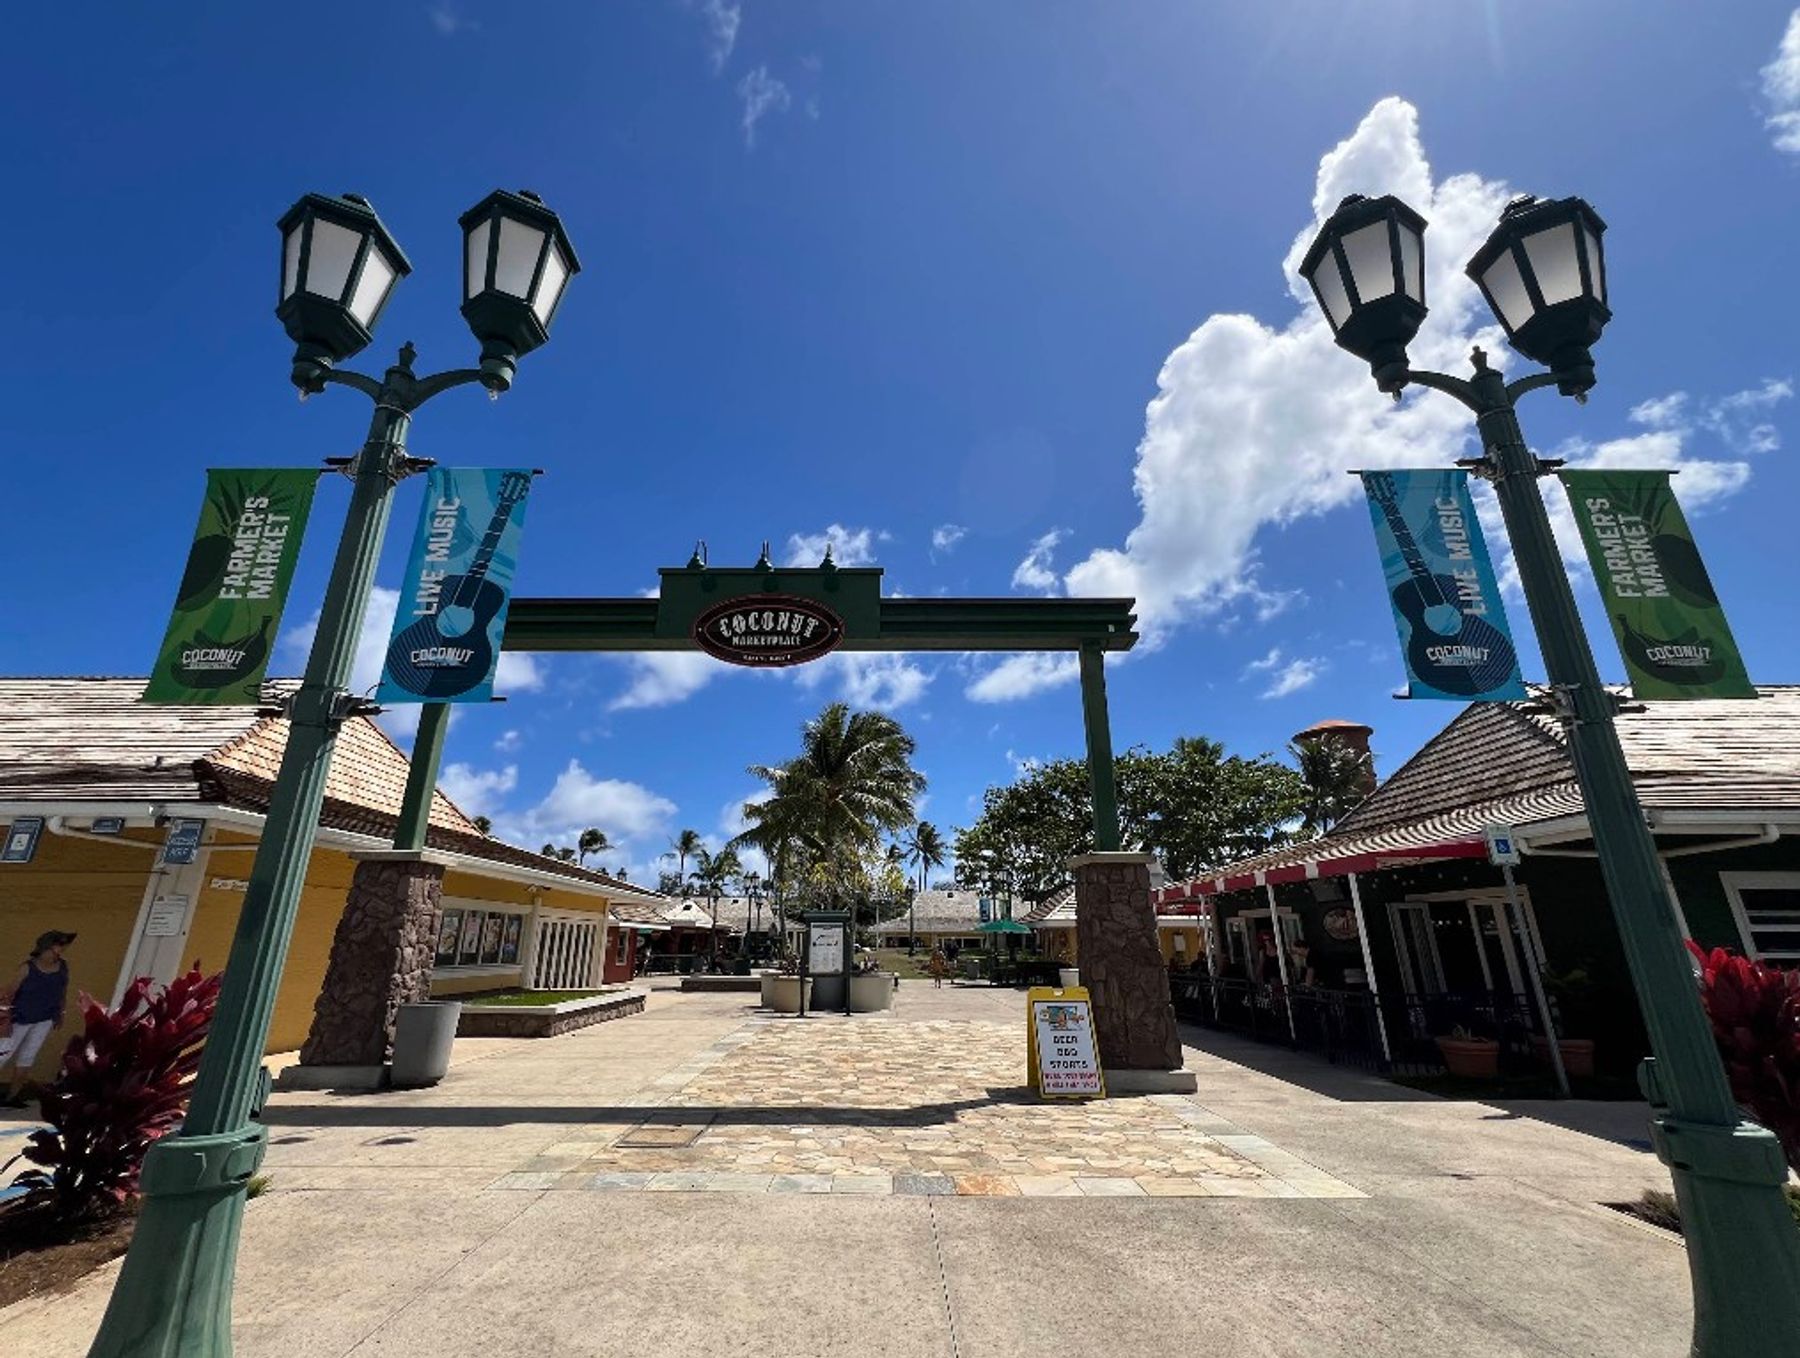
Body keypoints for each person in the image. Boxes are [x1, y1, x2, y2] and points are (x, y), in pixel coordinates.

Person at [0, 931, 76, 1108]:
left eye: (62, 948)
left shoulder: (63, 966)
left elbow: (62, 991)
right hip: (19, 1020)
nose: (60, 953)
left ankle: (12, 1097)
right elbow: (8, 995)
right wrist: (6, 1021)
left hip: (44, 1020)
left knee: (27, 1057)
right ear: (45, 948)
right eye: (57, 948)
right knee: (2, 1055)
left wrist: (61, 1013)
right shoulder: (27, 968)